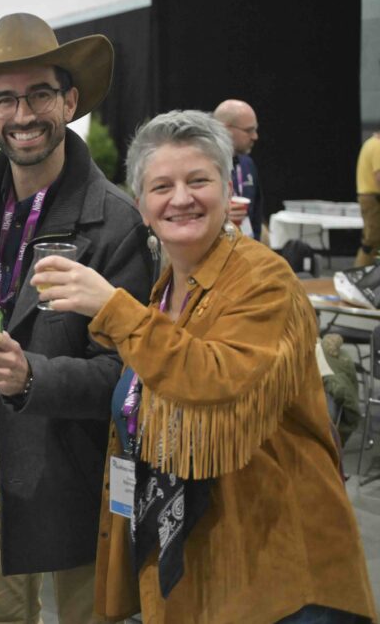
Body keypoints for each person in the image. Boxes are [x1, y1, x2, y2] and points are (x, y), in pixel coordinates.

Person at [33, 109, 377, 624]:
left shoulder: (263, 279)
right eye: (161, 186)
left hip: (279, 571)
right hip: (198, 567)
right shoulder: (167, 288)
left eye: (199, 181)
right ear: (142, 207)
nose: (181, 198)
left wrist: (112, 308)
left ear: (228, 189)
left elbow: (214, 378)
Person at [0, 12, 154, 624]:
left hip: (76, 464)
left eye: (40, 94)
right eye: (5, 98)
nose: (23, 114)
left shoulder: (114, 221)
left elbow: (129, 370)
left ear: (70, 100)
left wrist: (29, 377)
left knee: (88, 615)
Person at [213, 99, 266, 241]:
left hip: (246, 249)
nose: (255, 136)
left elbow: (256, 216)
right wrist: (218, 219)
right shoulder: (203, 166)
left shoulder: (247, 164)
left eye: (255, 129)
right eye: (249, 130)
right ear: (224, 129)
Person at [354, 129, 380, 266]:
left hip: (368, 197)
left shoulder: (369, 143)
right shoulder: (378, 146)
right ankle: (359, 273)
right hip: (373, 198)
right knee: (372, 240)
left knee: (373, 240)